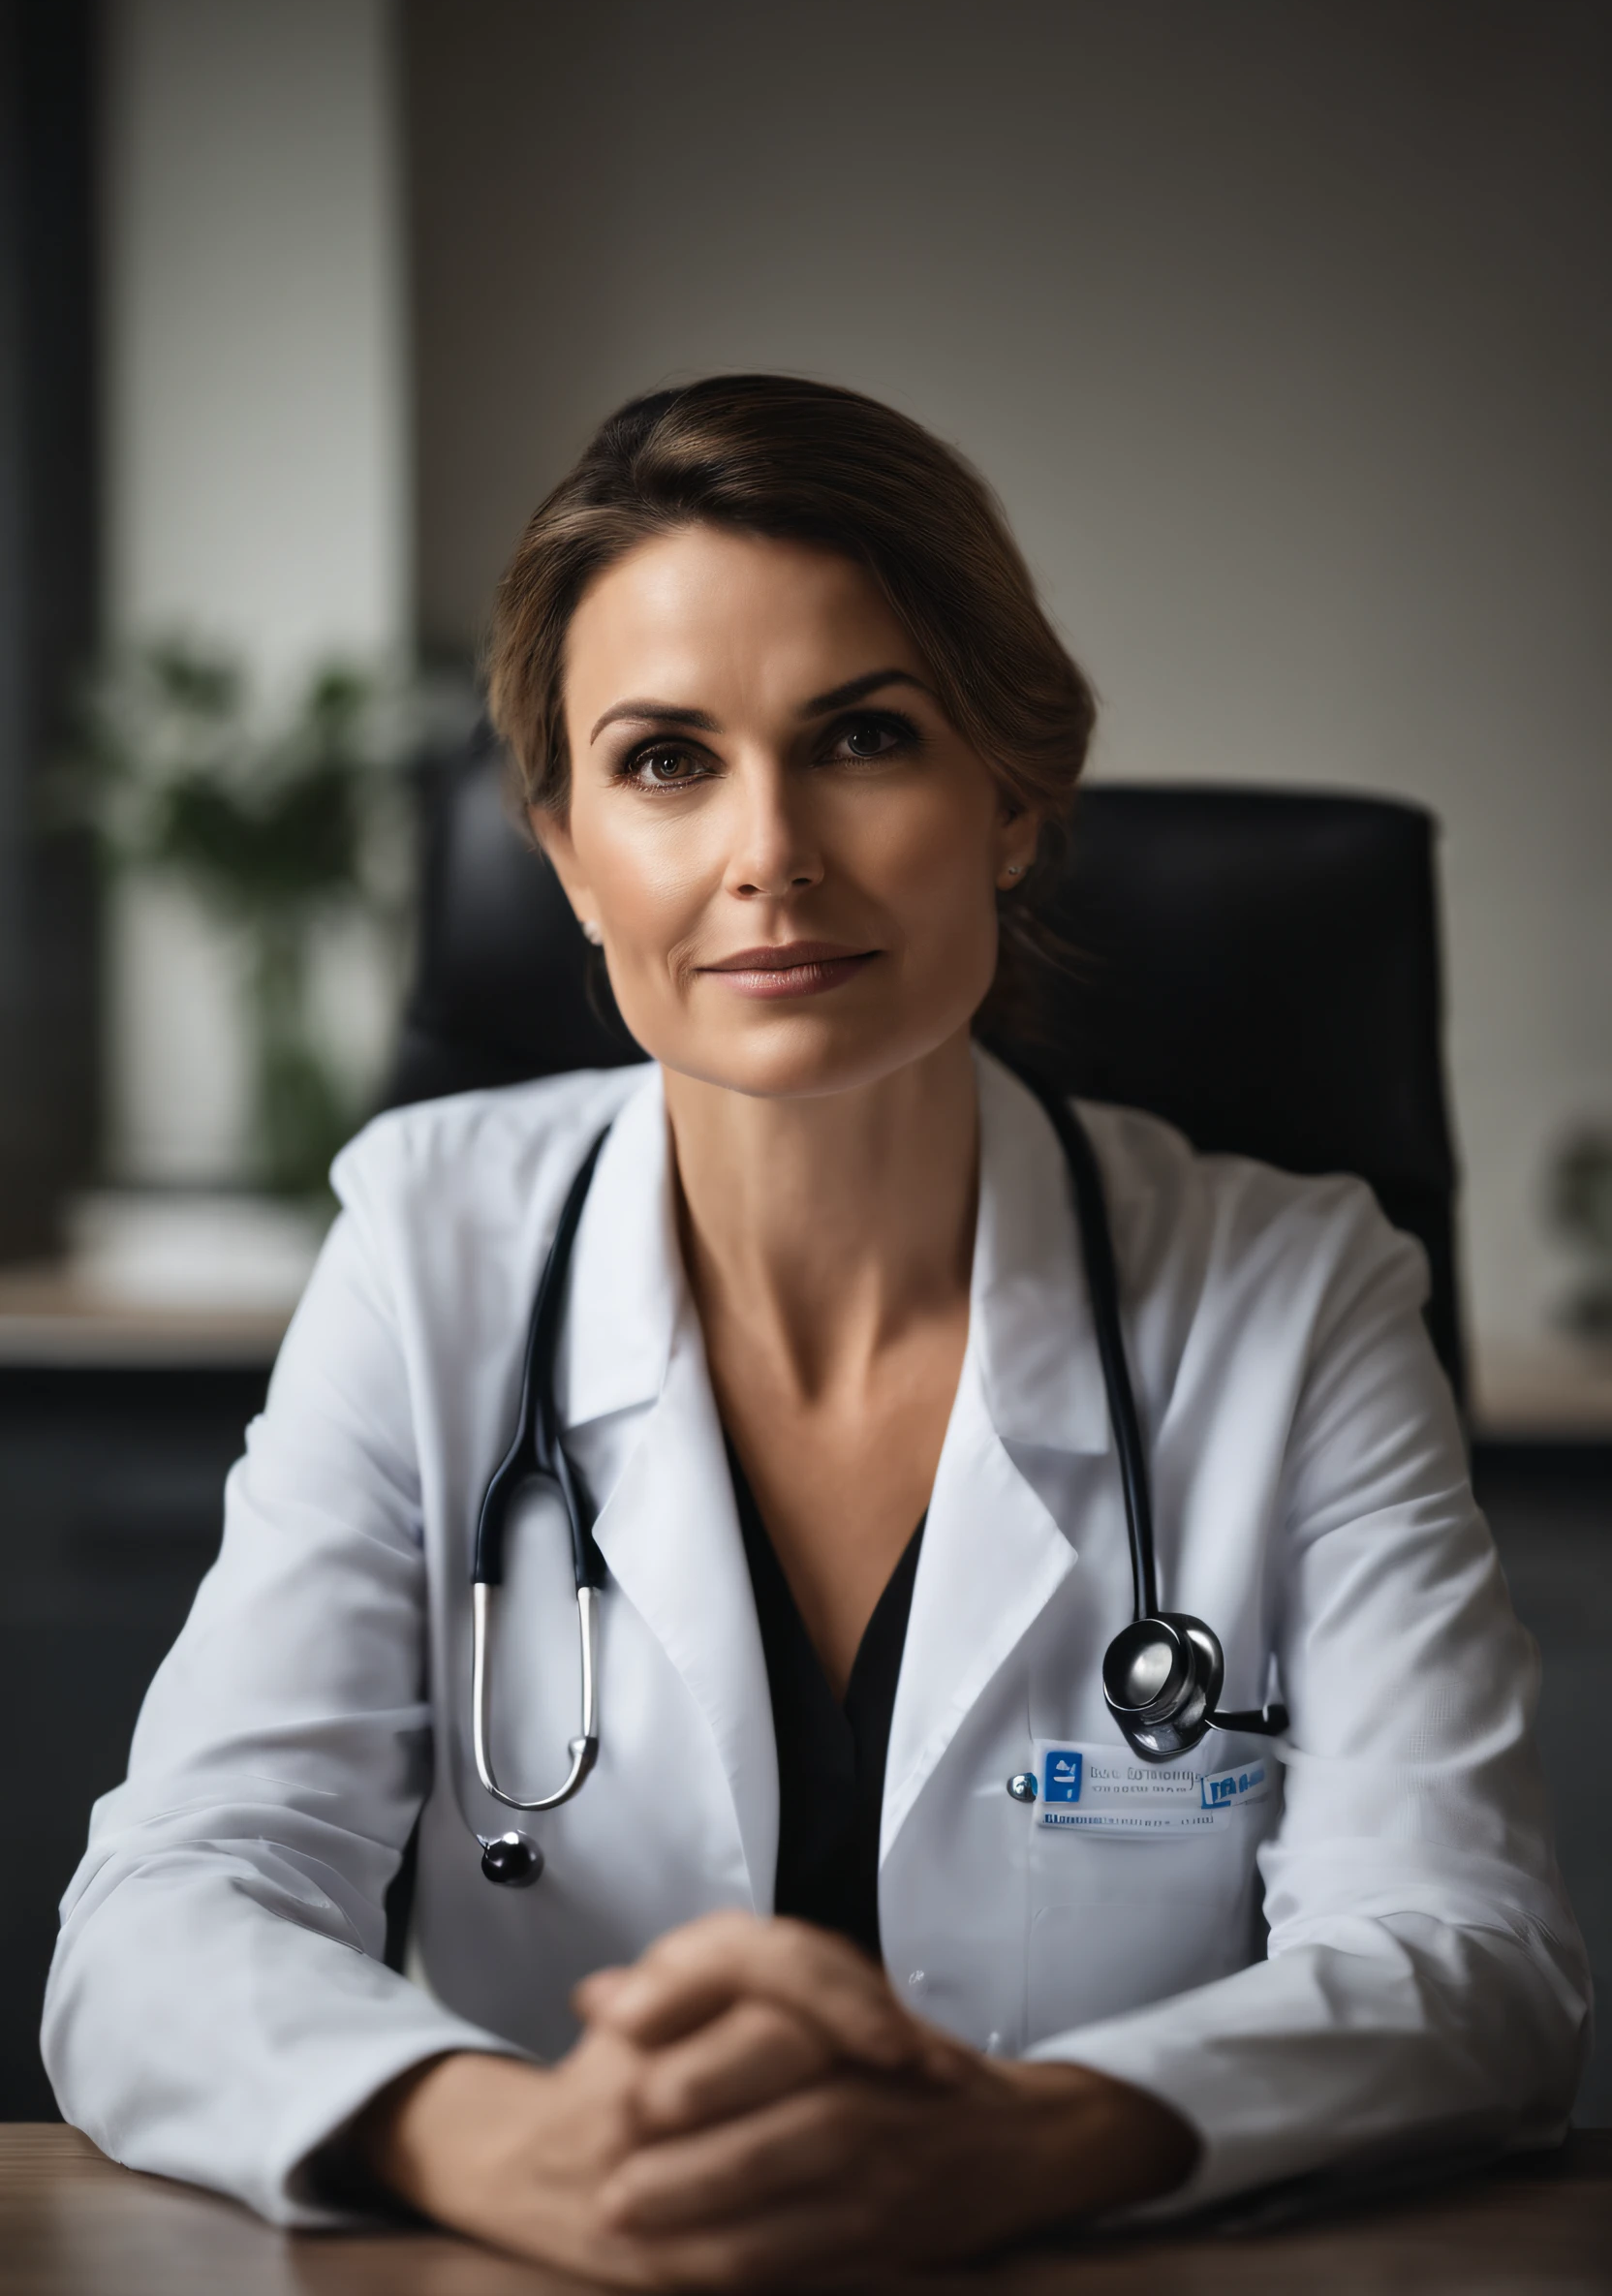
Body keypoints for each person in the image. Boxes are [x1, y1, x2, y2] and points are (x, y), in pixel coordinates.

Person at [45, 377, 1588, 2287]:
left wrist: (1013, 2149)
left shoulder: (1291, 1292)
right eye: (666, 760)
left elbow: (1472, 1954)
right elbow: (166, 1913)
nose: (769, 850)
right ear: (559, 843)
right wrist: (512, 2144)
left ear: (1013, 802)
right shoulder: (427, 1247)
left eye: (861, 736)